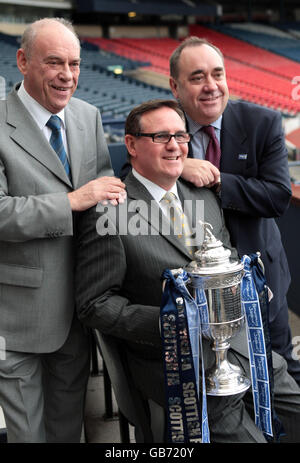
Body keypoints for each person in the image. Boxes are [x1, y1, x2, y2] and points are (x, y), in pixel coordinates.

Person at [76, 99, 300, 443]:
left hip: (247, 351)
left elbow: (226, 263)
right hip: (180, 368)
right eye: (160, 136)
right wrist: (173, 323)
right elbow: (95, 304)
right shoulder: (112, 211)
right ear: (132, 145)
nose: (174, 145)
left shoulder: (205, 196)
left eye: (180, 136)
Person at [0, 17, 125, 443]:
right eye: (54, 62)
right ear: (22, 61)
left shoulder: (87, 116)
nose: (67, 75)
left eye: (73, 63)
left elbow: (105, 197)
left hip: (80, 312)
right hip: (17, 320)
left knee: (69, 432)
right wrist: (71, 201)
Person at [168, 36, 300, 385]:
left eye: (217, 74)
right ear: (175, 86)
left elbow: (277, 196)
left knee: (277, 378)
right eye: (197, 77)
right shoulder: (163, 127)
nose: (211, 86)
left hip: (259, 282)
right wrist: (178, 166)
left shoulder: (262, 122)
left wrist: (216, 180)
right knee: (212, 387)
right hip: (197, 290)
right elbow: (131, 179)